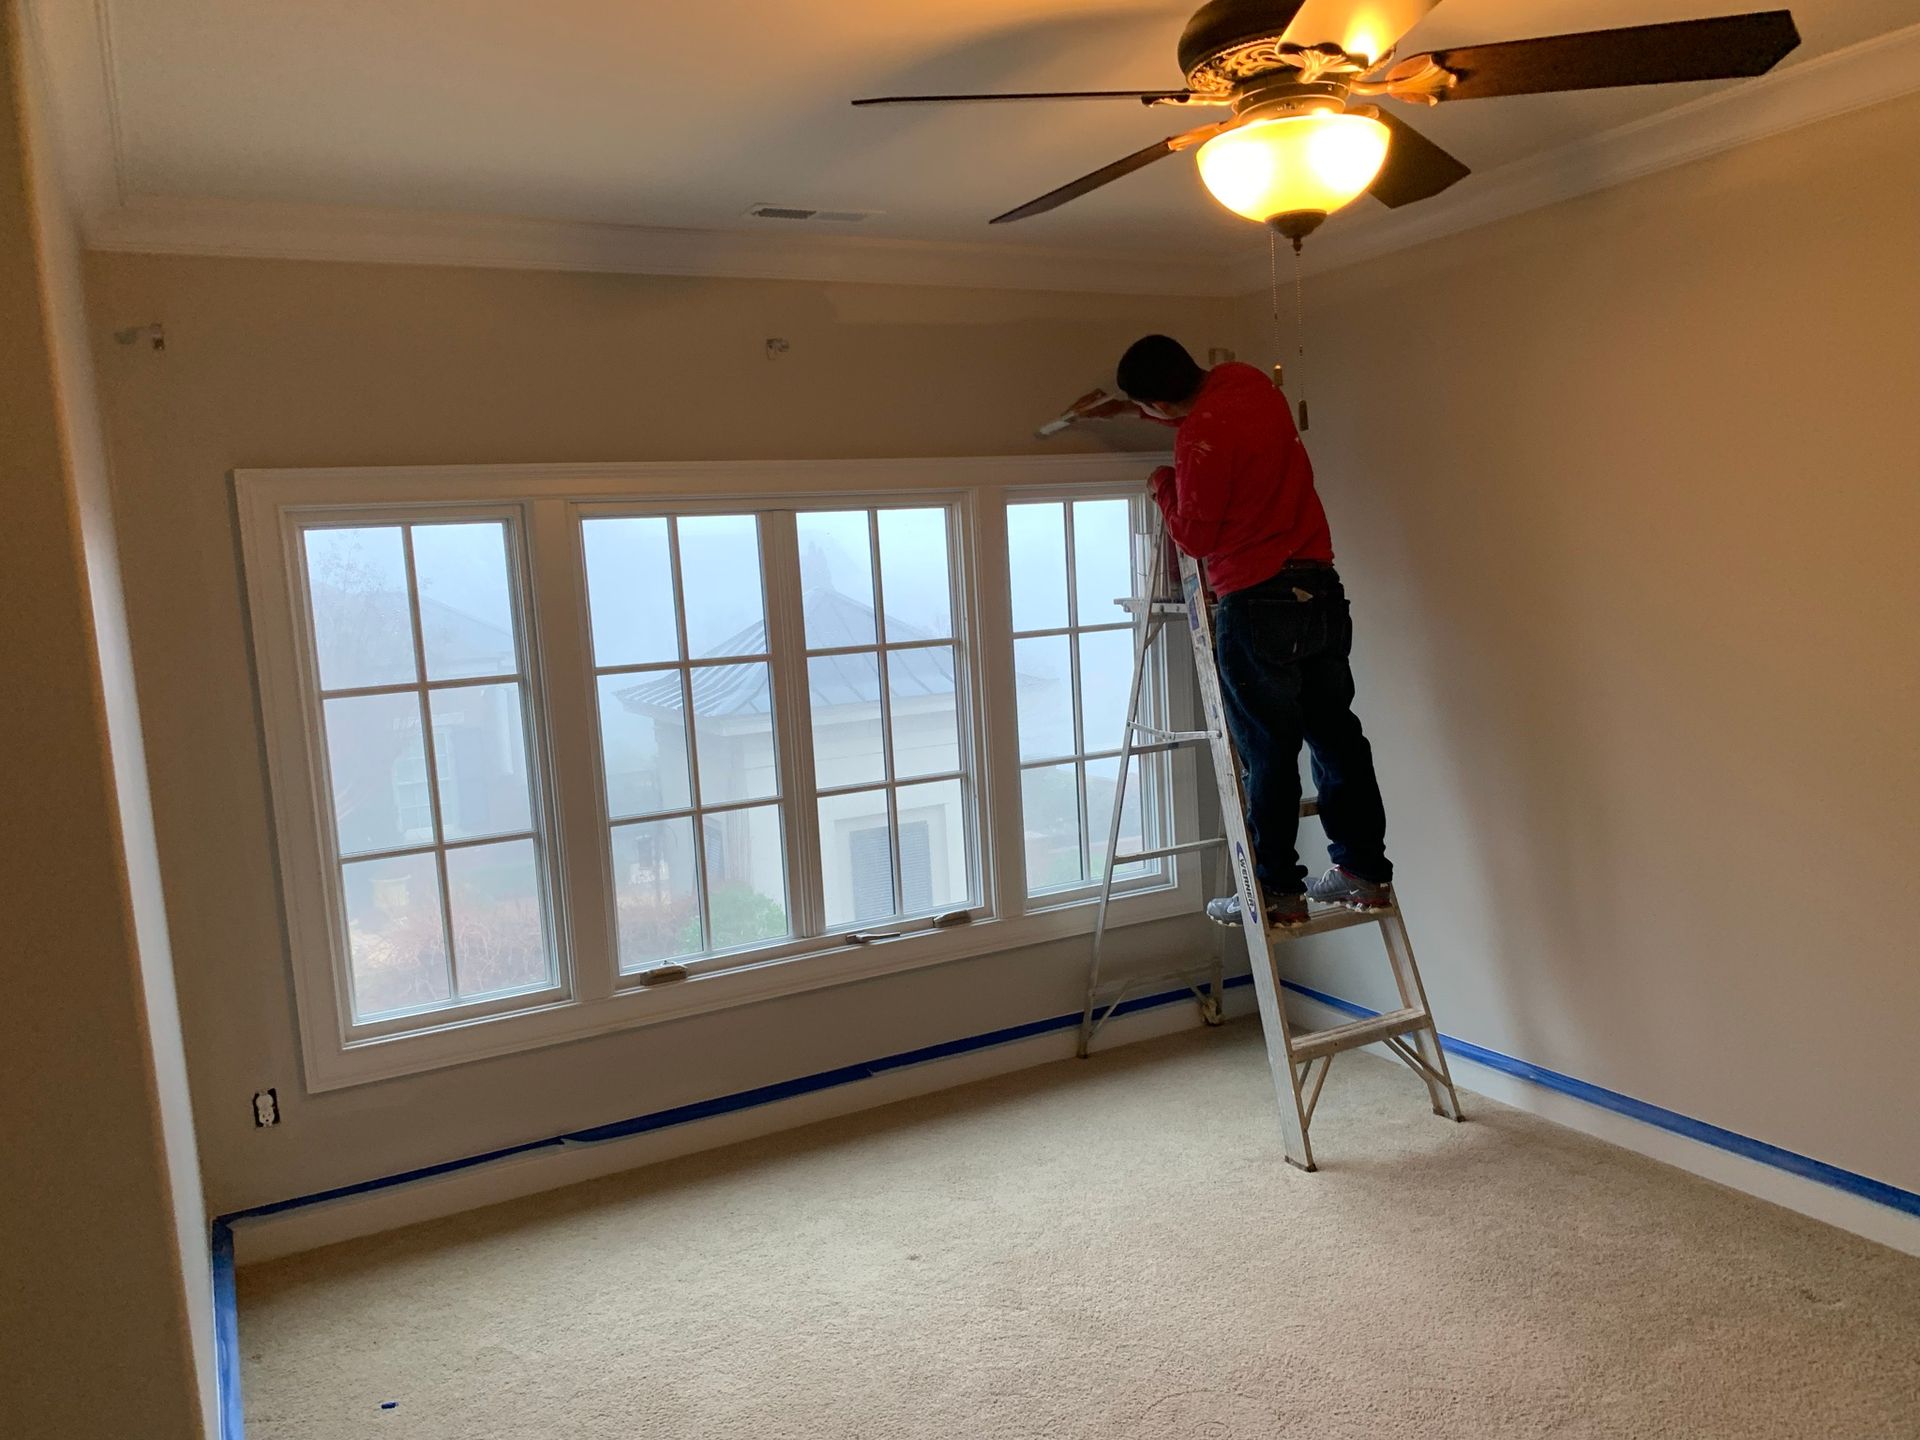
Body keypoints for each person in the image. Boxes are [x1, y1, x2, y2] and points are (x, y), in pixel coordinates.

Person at [1083, 334, 1394, 930]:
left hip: (1257, 601)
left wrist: (1163, 484)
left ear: (1162, 404)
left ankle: (1275, 890)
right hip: (1319, 589)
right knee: (1337, 736)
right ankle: (1363, 870)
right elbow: (1212, 420)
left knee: (1268, 751)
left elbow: (1196, 536)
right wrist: (1134, 409)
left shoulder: (1195, 440)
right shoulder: (1250, 383)